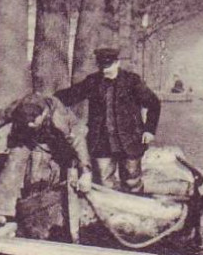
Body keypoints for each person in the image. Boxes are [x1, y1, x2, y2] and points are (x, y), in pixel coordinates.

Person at [0, 90, 93, 231]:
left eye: (33, 121)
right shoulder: (16, 109)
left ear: (43, 113)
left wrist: (86, 171)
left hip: (57, 139)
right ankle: (2, 211)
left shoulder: (59, 117)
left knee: (63, 174)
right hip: (25, 138)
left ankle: (60, 213)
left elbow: (77, 141)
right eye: (27, 121)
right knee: (13, 162)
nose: (30, 125)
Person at [56, 46, 161, 194]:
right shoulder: (92, 81)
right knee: (104, 182)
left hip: (130, 139)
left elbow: (154, 103)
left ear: (117, 63)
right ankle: (109, 213)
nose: (105, 70)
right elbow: (70, 96)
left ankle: (136, 210)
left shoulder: (132, 81)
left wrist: (149, 130)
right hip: (102, 141)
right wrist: (48, 100)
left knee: (132, 180)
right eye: (101, 66)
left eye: (108, 66)